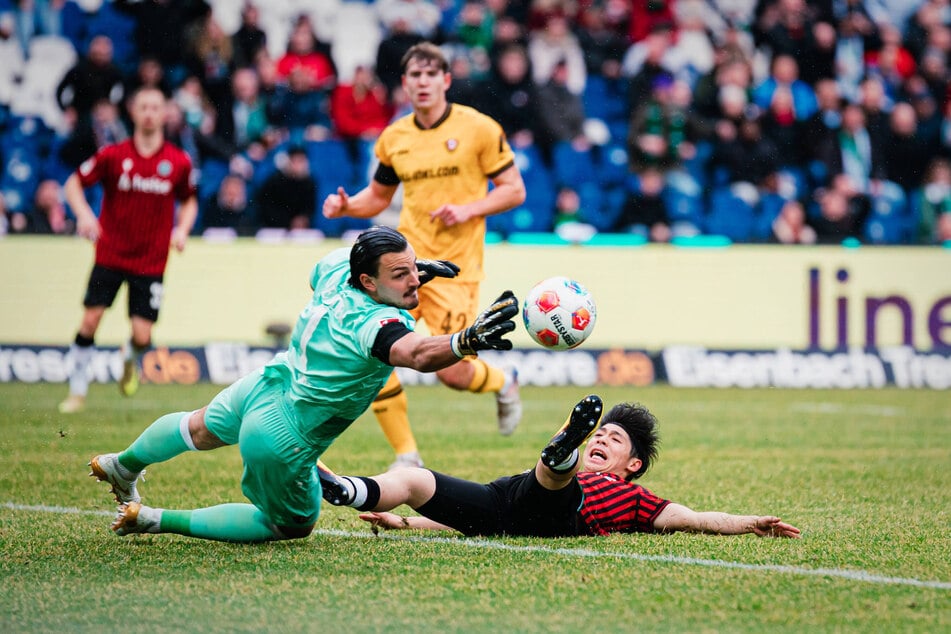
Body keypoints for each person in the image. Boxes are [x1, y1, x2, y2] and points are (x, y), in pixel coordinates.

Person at [92, 225, 520, 543]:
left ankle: (123, 463)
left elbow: (323, 272)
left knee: (197, 427)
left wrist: (412, 269)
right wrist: (465, 340)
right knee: (290, 527)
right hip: (283, 433)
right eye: (400, 274)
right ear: (369, 282)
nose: (414, 280)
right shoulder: (375, 323)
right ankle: (152, 518)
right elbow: (416, 354)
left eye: (413, 268)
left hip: (265, 383)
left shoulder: (338, 268)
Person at [322, 42, 527, 469]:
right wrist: (347, 207)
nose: (423, 82)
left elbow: (514, 190)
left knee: (451, 373)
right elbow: (377, 197)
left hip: (456, 269)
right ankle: (407, 456)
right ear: (404, 84)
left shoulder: (479, 128)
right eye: (414, 75)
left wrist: (468, 209)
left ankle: (505, 383)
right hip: (404, 264)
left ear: (446, 80)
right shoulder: (395, 138)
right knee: (374, 351)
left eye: (431, 74)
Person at [320, 395, 802, 540]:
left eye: (614, 439)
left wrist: (748, 524)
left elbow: (695, 520)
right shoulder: (580, 473)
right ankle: (346, 489)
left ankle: (558, 452)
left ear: (632, 466)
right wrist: (402, 519)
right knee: (413, 480)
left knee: (555, 483)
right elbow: (434, 512)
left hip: (559, 513)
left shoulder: (635, 498)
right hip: (502, 504)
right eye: (599, 434)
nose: (605, 439)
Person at [58, 86, 198, 414]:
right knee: (91, 319)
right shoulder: (113, 155)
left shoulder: (178, 162)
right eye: (143, 107)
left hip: (151, 261)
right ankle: (77, 392)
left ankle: (129, 358)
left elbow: (189, 199)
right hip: (110, 254)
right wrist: (84, 217)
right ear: (133, 113)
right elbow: (73, 183)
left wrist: (182, 229)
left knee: (142, 334)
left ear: (164, 114)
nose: (149, 113)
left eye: (155, 107)